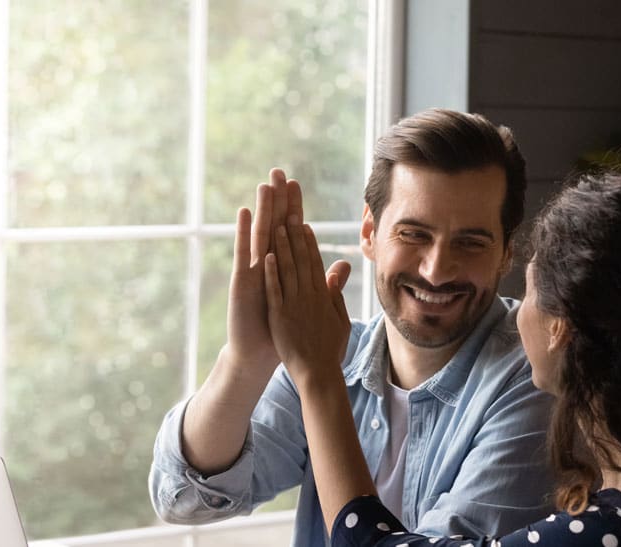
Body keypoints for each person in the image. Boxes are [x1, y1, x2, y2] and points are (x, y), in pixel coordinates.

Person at [264, 170, 621, 546]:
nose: (516, 311)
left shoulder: (620, 527)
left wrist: (317, 376)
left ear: (560, 328)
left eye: (527, 292)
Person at [150, 109, 555, 546]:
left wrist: (317, 375)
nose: (437, 271)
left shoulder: (537, 377)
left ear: (506, 253)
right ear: (369, 232)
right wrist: (246, 362)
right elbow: (183, 498)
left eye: (470, 243)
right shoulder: (331, 353)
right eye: (413, 234)